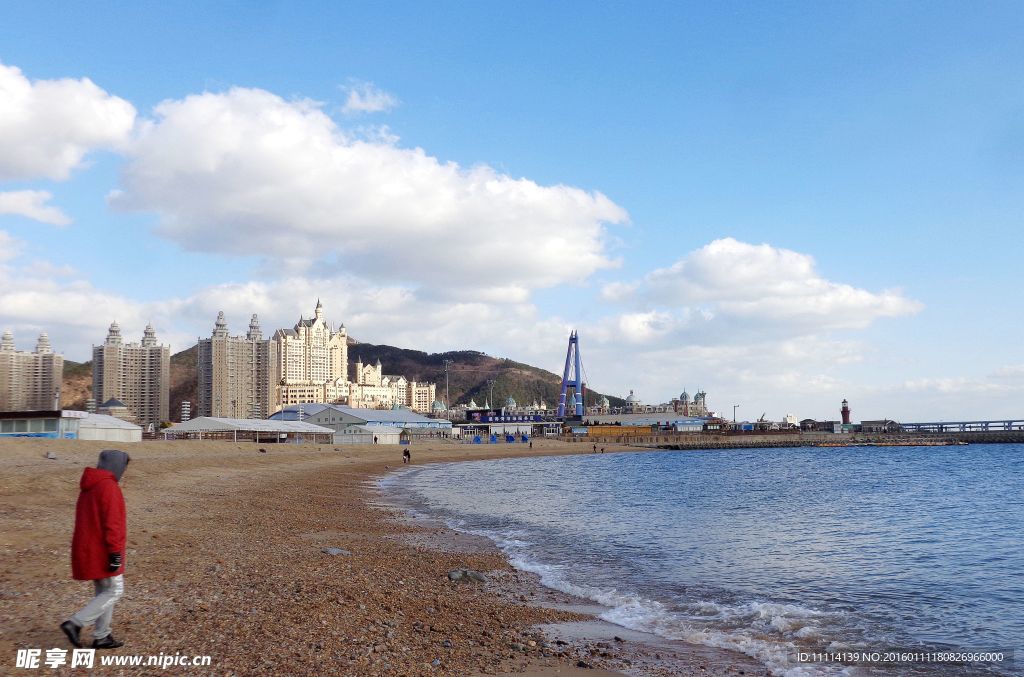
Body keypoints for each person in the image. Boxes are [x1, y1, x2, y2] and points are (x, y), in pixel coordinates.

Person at [61, 450, 130, 650]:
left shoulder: (89, 486)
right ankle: (75, 623)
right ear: (117, 466)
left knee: (104, 590)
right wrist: (116, 553)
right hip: (103, 551)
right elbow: (113, 525)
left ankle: (102, 635)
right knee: (115, 590)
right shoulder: (109, 487)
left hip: (89, 549)